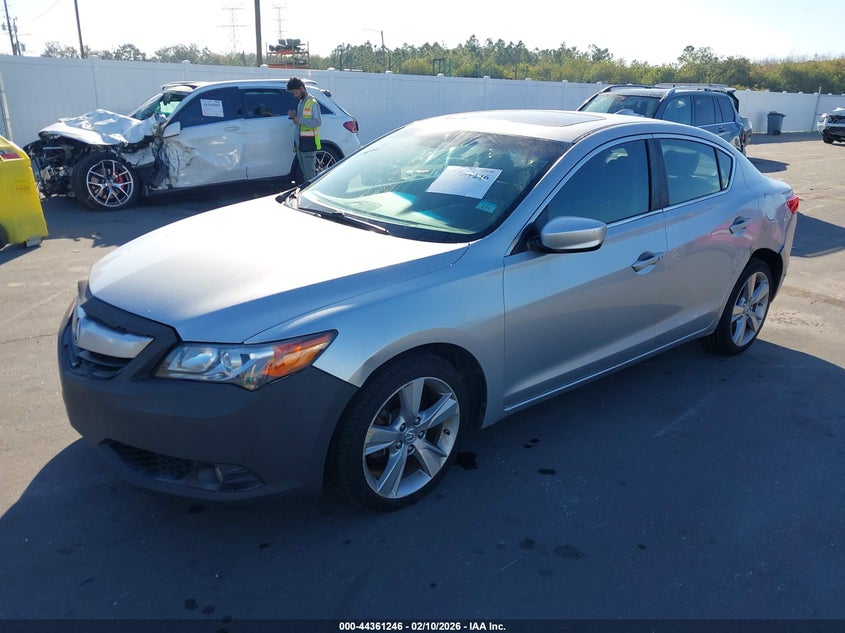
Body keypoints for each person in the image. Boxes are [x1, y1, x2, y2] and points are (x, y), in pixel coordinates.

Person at [286, 77, 323, 182]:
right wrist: (295, 116)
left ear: (302, 88)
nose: (295, 95)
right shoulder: (301, 102)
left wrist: (300, 120)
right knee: (305, 173)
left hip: (308, 143)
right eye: (294, 93)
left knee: (310, 173)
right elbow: (301, 120)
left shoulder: (312, 102)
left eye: (296, 92)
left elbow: (318, 122)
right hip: (300, 144)